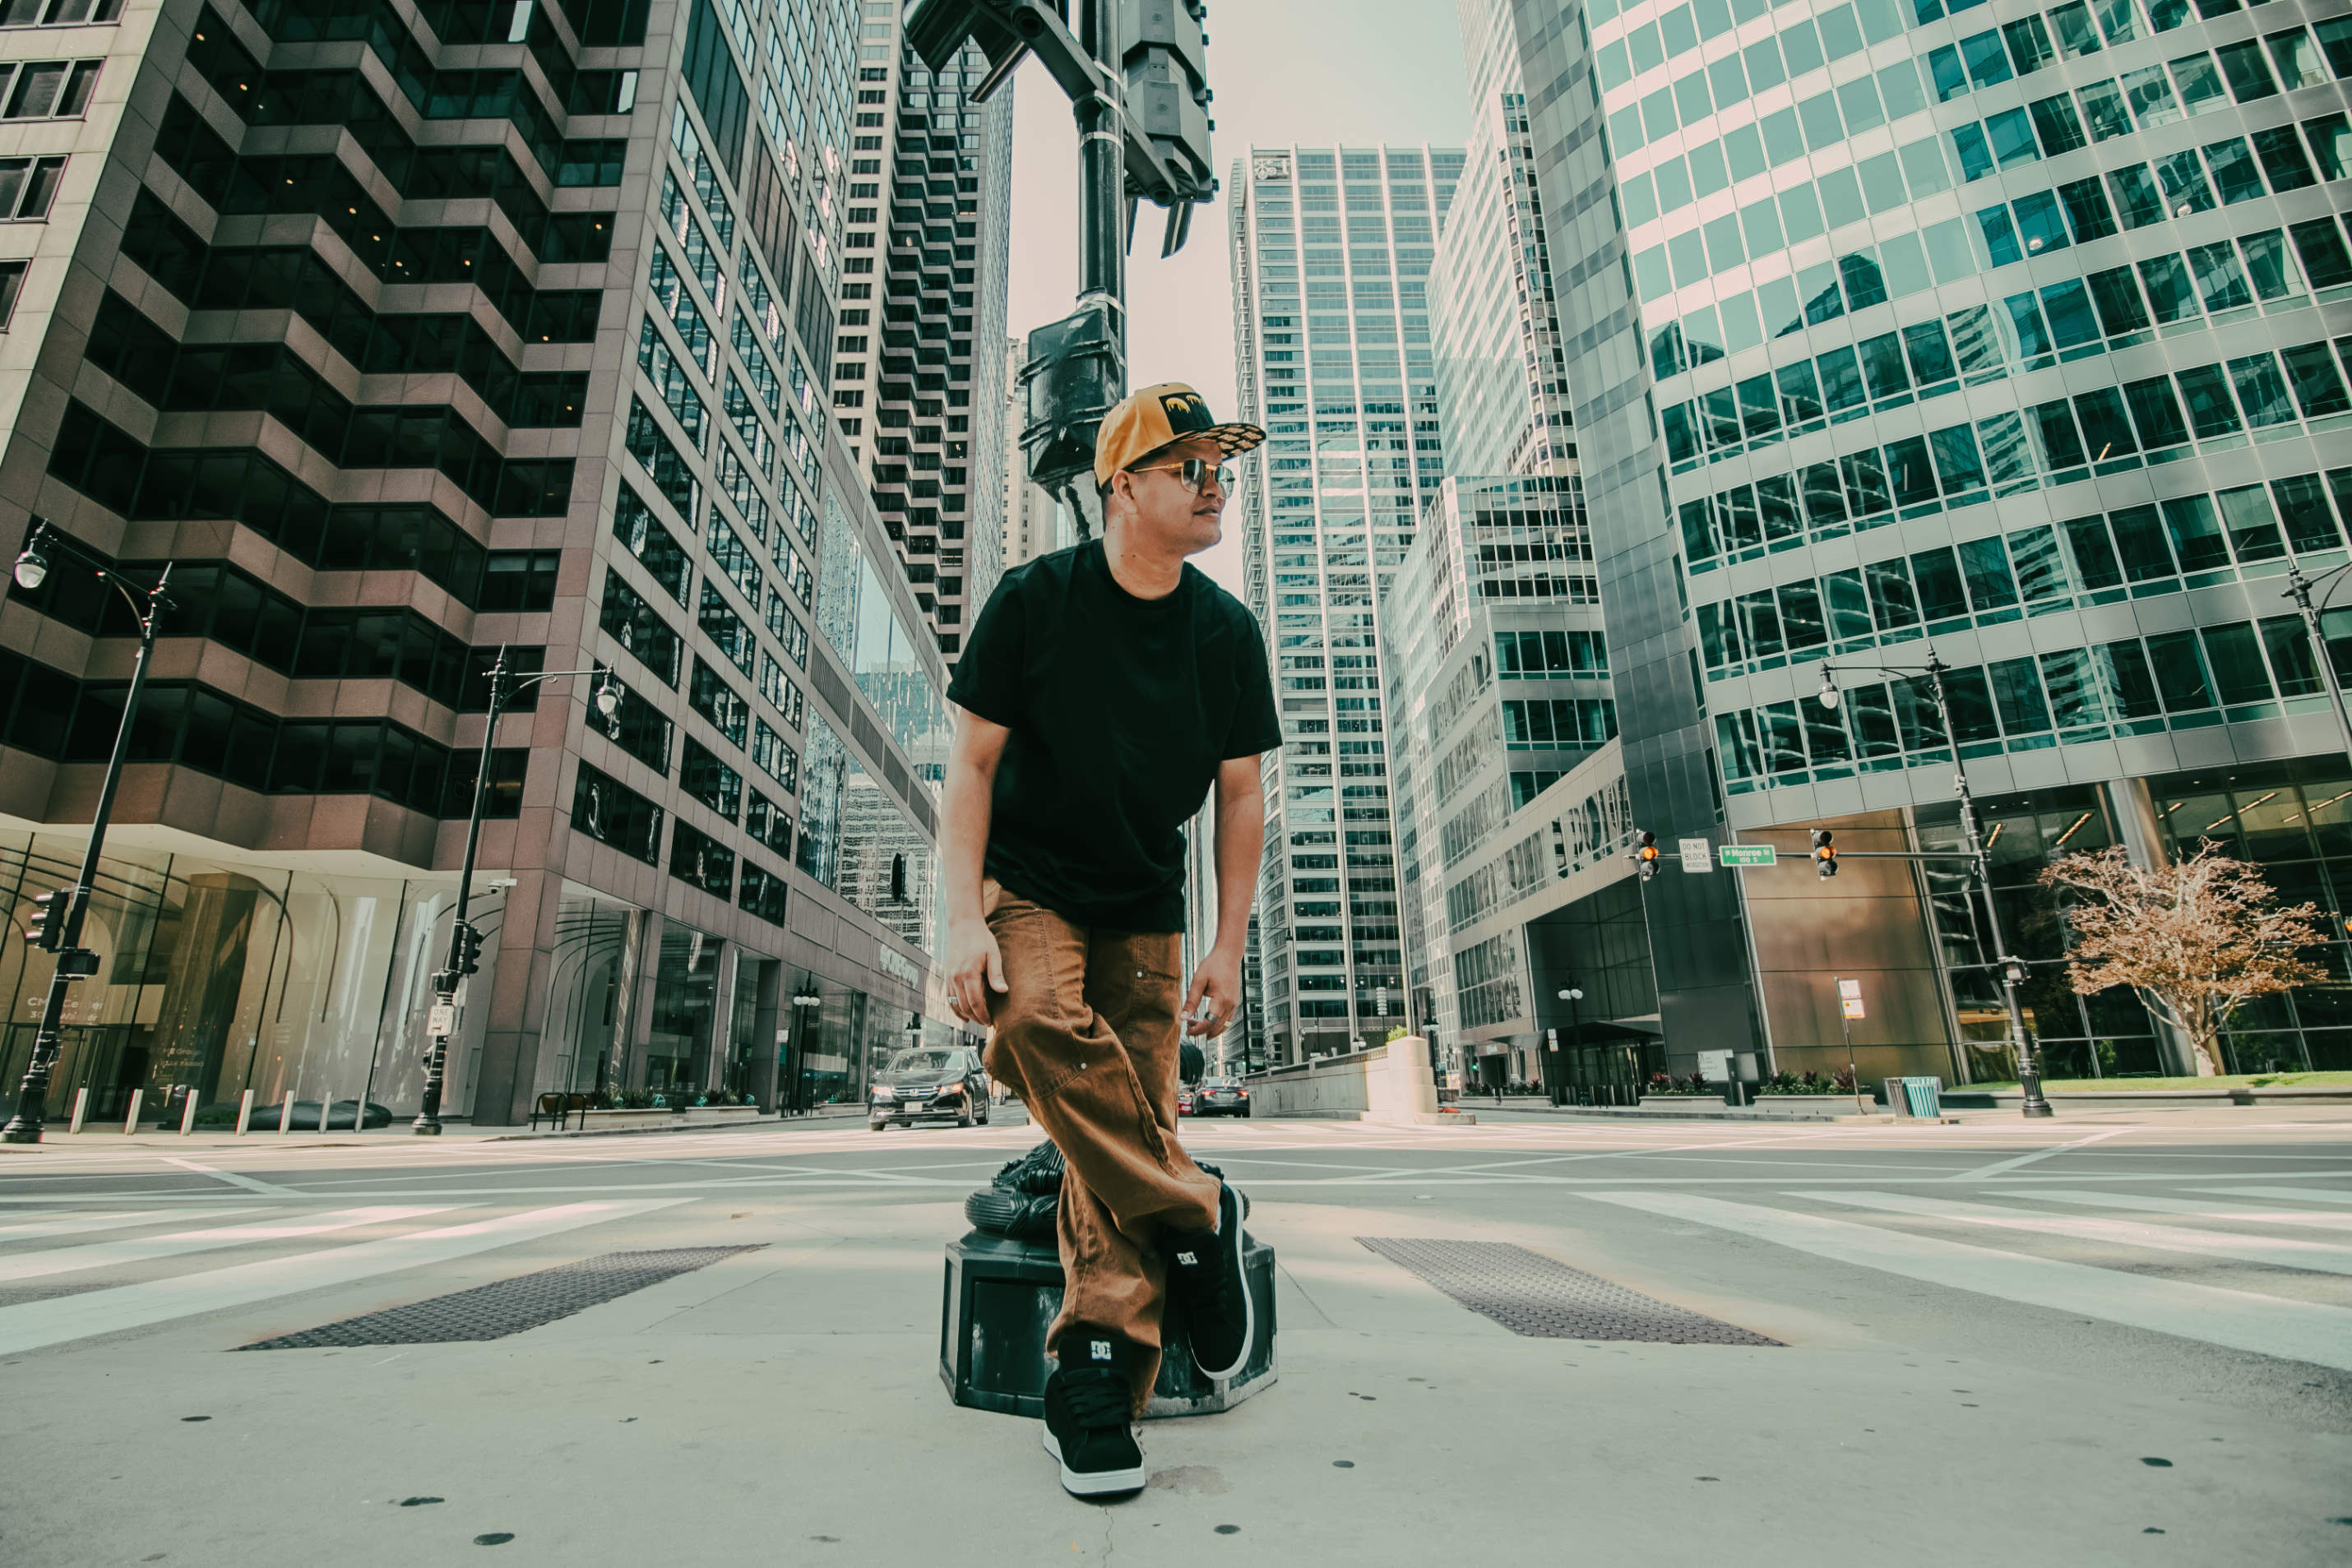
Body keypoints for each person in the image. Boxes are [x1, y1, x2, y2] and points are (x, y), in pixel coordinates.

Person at [940, 383, 1278, 1501]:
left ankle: (1094, 1376)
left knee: (1113, 1127)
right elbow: (973, 769)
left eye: (1221, 465)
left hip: (1146, 908)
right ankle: (1194, 1209)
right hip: (1031, 885)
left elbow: (1239, 800)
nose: (1213, 482)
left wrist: (1229, 946)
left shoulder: (1226, 633)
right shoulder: (1035, 599)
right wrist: (957, 923)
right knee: (1031, 1020)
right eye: (1189, 465)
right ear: (1120, 485)